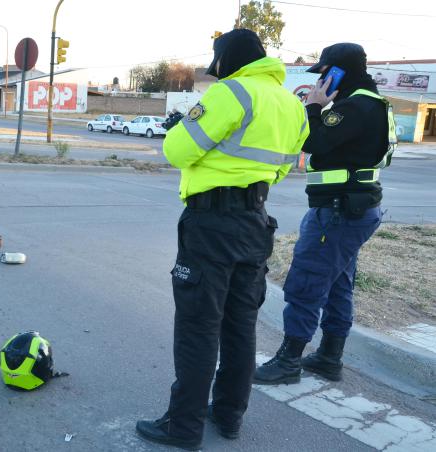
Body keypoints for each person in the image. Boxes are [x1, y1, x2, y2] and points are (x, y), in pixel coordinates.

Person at [135, 29, 309, 450]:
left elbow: (178, 151)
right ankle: (229, 415)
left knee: (198, 326)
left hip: (211, 226)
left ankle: (183, 427)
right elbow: (283, 167)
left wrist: (182, 127)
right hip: (255, 221)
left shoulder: (231, 92)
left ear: (226, 58)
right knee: (239, 325)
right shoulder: (292, 105)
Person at [254, 43, 395, 385]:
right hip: (353, 208)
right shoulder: (372, 103)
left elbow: (313, 141)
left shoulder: (355, 106)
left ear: (339, 72)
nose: (320, 82)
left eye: (325, 74)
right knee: (338, 284)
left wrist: (314, 106)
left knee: (308, 280)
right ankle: (330, 357)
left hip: (337, 212)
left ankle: (289, 360)